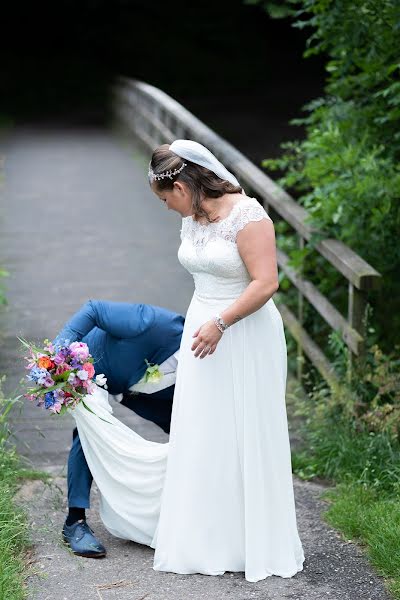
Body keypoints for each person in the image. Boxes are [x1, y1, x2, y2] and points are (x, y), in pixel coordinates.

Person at [68, 139, 305, 583]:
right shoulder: (193, 216)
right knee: (204, 428)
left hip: (243, 329)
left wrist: (221, 322)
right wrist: (206, 321)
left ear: (182, 185)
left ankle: (253, 538)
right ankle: (208, 534)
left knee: (244, 426)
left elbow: (266, 282)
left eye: (165, 199)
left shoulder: (249, 217)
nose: (165, 208)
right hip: (203, 329)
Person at [52, 299, 184, 557]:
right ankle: (75, 522)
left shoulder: (207, 372)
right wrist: (58, 356)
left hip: (140, 389)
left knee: (191, 431)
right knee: (91, 431)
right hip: (91, 368)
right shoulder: (152, 323)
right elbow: (94, 309)